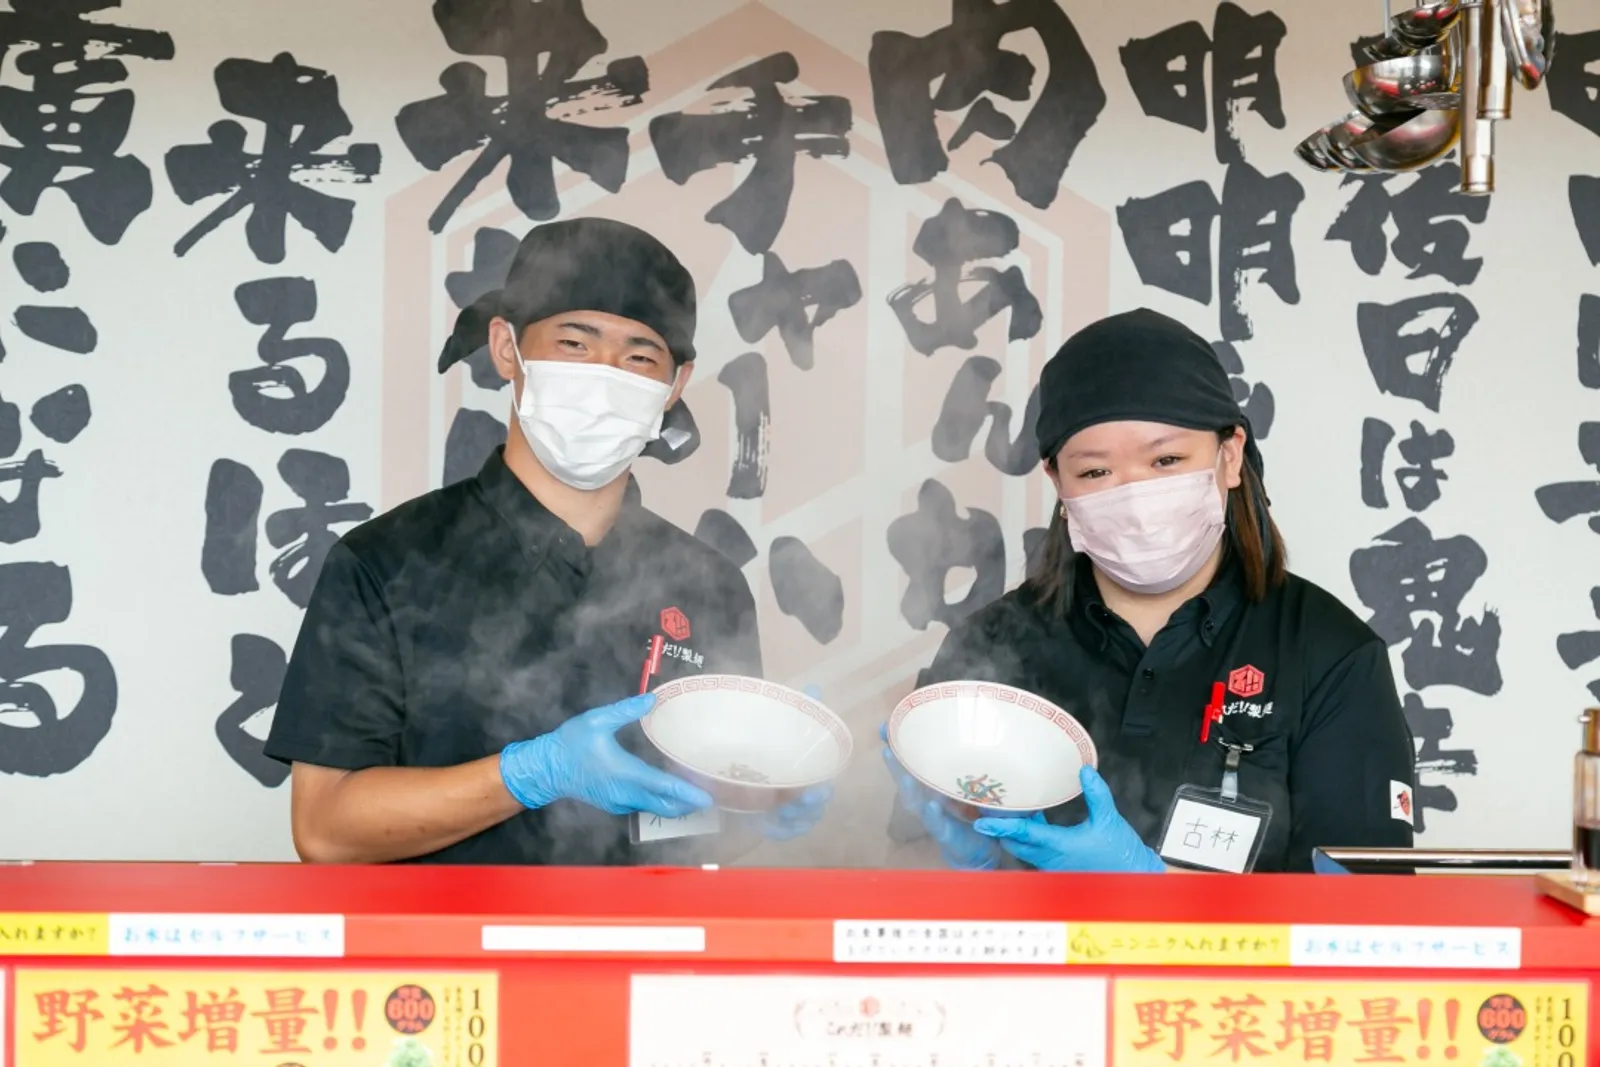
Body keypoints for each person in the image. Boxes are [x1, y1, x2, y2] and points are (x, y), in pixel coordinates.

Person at [265, 217, 828, 865]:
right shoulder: (385, 564)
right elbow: (326, 829)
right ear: (507, 349)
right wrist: (533, 772)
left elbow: (705, 826)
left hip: (650, 956)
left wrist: (765, 798)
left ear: (674, 385)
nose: (606, 374)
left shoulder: (710, 585)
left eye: (640, 355)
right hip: (453, 961)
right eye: (574, 342)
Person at [883, 309, 1416, 874]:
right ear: (1057, 481)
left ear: (1229, 456)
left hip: (1241, 968)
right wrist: (956, 866)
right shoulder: (989, 649)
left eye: (1167, 460)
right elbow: (903, 866)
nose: (1135, 497)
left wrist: (1149, 892)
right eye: (1095, 473)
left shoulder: (1329, 655)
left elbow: (1364, 911)